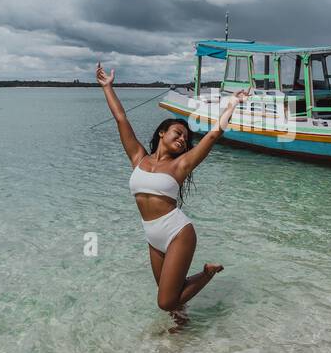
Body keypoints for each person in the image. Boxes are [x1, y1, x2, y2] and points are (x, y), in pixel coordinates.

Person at [96, 63, 251, 318]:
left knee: (165, 302)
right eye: (178, 133)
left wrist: (232, 104)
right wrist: (107, 87)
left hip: (177, 232)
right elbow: (121, 118)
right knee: (175, 300)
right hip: (152, 236)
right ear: (161, 132)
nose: (182, 140)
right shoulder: (138, 158)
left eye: (185, 139)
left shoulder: (181, 165)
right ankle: (181, 332)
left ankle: (208, 272)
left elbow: (213, 135)